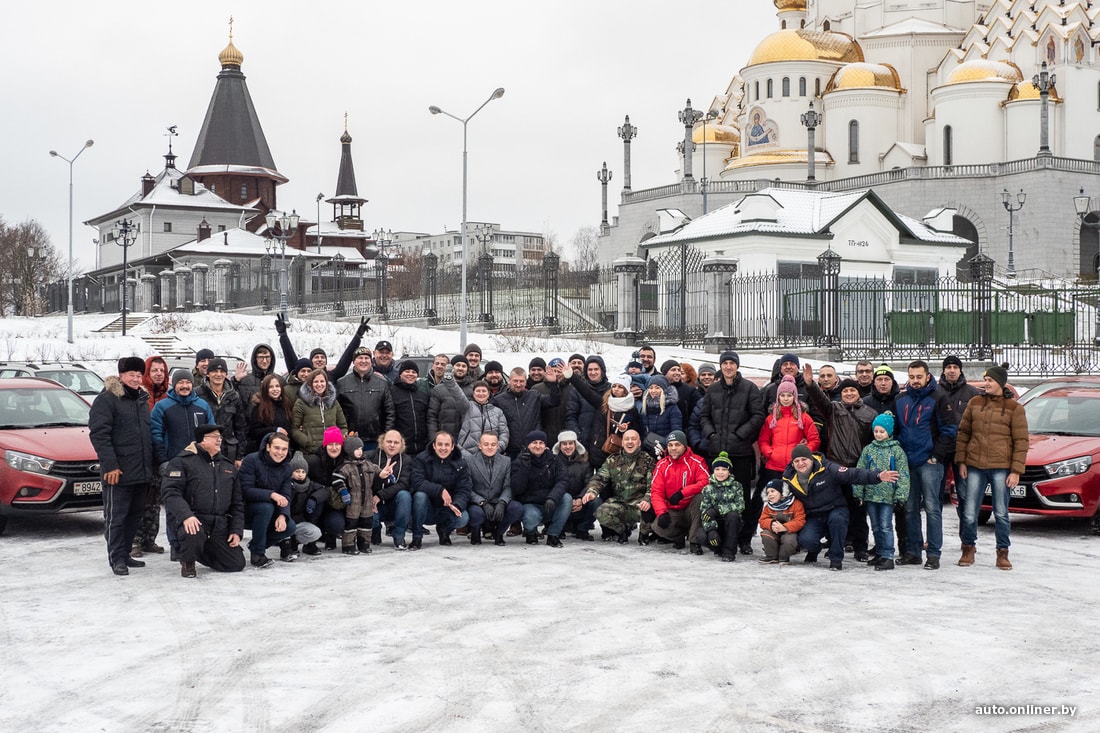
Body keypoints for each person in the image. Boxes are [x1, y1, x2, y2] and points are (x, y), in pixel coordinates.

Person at [954, 365, 1028, 570]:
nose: (986, 383)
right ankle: (968, 548)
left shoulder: (1015, 408)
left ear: (1000, 383)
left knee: (1001, 512)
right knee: (969, 511)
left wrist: (1015, 471)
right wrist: (962, 461)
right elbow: (963, 433)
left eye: (990, 380)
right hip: (975, 466)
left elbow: (1021, 441)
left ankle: (1002, 552)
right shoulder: (975, 403)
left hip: (1001, 467)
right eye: (985, 380)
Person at [89, 357, 156, 576]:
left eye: (139, 375)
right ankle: (116, 558)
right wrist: (110, 466)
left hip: (140, 471)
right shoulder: (107, 399)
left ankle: (126, 553)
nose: (136, 379)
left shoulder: (141, 399)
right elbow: (100, 435)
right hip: (117, 472)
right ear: (121, 376)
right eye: (131, 375)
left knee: (134, 516)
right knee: (116, 518)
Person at [784, 444, 899, 571]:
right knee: (806, 541)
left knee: (838, 521)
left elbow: (852, 474)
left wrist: (877, 476)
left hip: (835, 508)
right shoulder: (789, 477)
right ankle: (815, 549)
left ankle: (836, 559)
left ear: (811, 459)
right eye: (797, 461)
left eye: (804, 459)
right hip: (813, 515)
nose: (801, 463)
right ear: (792, 463)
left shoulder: (827, 468)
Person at [803, 364, 876, 563]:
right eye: (845, 390)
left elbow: (873, 442)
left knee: (858, 511)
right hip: (835, 467)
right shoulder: (833, 409)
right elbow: (820, 400)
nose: (849, 393)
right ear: (841, 393)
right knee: (834, 507)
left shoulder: (870, 414)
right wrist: (810, 384)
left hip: (857, 468)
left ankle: (861, 546)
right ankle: (837, 543)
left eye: (852, 390)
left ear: (858, 392)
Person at [699, 350, 765, 553]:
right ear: (721, 366)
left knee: (742, 498)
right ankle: (717, 535)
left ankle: (743, 540)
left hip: (741, 453)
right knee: (715, 496)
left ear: (737, 366)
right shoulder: (713, 389)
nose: (728, 366)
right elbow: (704, 415)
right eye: (725, 363)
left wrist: (740, 435)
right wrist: (711, 435)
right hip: (717, 452)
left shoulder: (749, 388)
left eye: (732, 363)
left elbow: (757, 416)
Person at [161, 424, 246, 578]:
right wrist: (186, 515)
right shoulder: (182, 462)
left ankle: (200, 551)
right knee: (193, 531)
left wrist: (236, 530)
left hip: (219, 525)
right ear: (202, 440)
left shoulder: (228, 466)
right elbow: (171, 493)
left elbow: (237, 503)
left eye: (220, 437)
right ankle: (188, 560)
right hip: (194, 520)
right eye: (214, 437)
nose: (219, 440)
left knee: (236, 564)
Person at [150, 368, 215, 560]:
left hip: (199, 464)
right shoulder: (162, 407)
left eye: (187, 382)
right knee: (174, 507)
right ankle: (176, 545)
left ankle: (195, 543)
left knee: (198, 505)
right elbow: (156, 436)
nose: (185, 386)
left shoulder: (202, 406)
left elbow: (211, 433)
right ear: (174, 384)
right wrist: (163, 461)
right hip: (174, 464)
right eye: (180, 383)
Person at [896, 360, 945, 570]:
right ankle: (913, 552)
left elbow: (949, 431)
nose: (915, 381)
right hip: (907, 462)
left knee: (933, 508)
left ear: (927, 376)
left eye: (919, 377)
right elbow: (896, 429)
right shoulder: (900, 399)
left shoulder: (938, 398)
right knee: (909, 509)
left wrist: (935, 455)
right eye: (912, 377)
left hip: (929, 462)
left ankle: (933, 553)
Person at [854, 413, 911, 570]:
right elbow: (860, 471)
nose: (878, 434)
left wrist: (900, 496)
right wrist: (858, 492)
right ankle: (879, 552)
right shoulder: (868, 450)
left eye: (882, 431)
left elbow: (903, 475)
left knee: (885, 525)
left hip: (887, 496)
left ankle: (888, 555)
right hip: (871, 495)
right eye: (876, 431)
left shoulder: (896, 451)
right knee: (875, 525)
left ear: (889, 432)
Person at [582, 429, 655, 543]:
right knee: (601, 512)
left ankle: (644, 534)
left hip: (640, 504)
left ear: (639, 442)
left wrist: (647, 500)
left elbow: (653, 484)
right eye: (626, 439)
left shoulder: (648, 460)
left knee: (652, 511)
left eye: (633, 439)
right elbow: (600, 478)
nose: (630, 442)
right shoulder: (613, 460)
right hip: (620, 503)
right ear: (622, 442)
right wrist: (592, 491)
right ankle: (622, 531)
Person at [238, 431, 297, 567]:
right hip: (246, 509)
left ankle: (256, 545)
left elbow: (286, 495)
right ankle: (258, 554)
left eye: (284, 449)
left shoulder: (287, 468)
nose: (280, 453)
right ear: (268, 447)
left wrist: (282, 515)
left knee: (290, 527)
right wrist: (271, 494)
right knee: (266, 507)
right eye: (277, 448)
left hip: (269, 511)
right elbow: (245, 490)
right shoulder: (251, 460)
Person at [132, 355, 170, 557]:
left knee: (155, 500)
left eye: (162, 371)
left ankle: (149, 539)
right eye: (154, 370)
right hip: (141, 456)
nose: (158, 374)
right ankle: (134, 541)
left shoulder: (168, 396)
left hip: (160, 456)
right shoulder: (139, 395)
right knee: (139, 499)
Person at [649, 430, 708, 553]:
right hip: (673, 509)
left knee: (701, 498)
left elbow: (705, 482)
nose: (673, 448)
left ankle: (694, 541)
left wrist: (683, 493)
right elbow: (656, 492)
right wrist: (662, 513)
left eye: (677, 444)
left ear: (684, 445)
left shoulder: (697, 461)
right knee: (657, 526)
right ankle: (678, 537)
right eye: (670, 445)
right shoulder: (662, 465)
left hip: (691, 509)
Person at [410, 431, 471, 549]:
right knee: (420, 496)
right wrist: (440, 490)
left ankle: (444, 531)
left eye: (447, 445)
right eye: (440, 444)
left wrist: (457, 505)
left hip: (447, 507)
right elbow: (417, 481)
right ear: (434, 445)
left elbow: (464, 488)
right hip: (426, 508)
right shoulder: (422, 459)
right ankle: (417, 537)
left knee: (463, 518)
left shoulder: (460, 463)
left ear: (453, 447)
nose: (443, 448)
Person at [511, 430, 570, 547]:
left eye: (541, 443)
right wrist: (524, 468)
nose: (538, 446)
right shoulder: (519, 461)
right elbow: (517, 489)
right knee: (531, 517)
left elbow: (562, 480)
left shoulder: (554, 460)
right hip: (530, 503)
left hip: (549, 501)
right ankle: (530, 532)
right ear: (528, 444)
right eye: (534, 442)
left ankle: (553, 535)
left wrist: (553, 497)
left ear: (545, 445)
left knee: (567, 498)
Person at [464, 431, 524, 546]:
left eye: (493, 444)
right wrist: (482, 502)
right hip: (478, 503)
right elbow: (467, 487)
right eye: (486, 444)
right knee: (475, 514)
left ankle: (499, 532)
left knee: (516, 508)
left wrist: (502, 502)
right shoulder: (469, 461)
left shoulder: (506, 461)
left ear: (497, 445)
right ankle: (475, 532)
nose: (489, 447)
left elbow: (507, 486)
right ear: (480, 445)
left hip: (497, 500)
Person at [934, 355, 980, 503]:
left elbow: (977, 422)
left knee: (965, 495)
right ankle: (937, 527)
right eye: (948, 367)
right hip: (940, 450)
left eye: (955, 367)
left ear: (960, 371)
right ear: (943, 370)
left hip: (963, 452)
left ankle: (966, 526)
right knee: (936, 495)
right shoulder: (935, 391)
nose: (952, 371)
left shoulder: (972, 393)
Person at [491, 366, 561, 460]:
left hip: (533, 448)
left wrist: (553, 383)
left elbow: (554, 401)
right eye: (515, 381)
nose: (518, 384)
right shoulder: (498, 400)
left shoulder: (534, 396)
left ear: (526, 381)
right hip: (510, 451)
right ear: (509, 381)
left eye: (521, 381)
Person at [275, 314, 370, 381]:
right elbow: (291, 361)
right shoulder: (305, 375)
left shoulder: (332, 375)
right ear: (310, 361)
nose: (320, 360)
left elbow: (346, 358)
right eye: (316, 357)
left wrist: (358, 336)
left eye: (322, 357)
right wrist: (283, 335)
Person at [336, 346, 395, 453]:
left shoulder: (381, 383)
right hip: (351, 439)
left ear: (370, 361)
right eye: (360, 358)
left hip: (375, 440)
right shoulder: (342, 383)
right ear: (354, 361)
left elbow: (389, 412)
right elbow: (336, 412)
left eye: (366, 358)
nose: (363, 361)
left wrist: (386, 435)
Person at [334, 436, 384, 555]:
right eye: (357, 449)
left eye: (361, 449)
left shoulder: (367, 464)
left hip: (367, 498)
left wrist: (385, 474)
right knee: (352, 522)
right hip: (353, 499)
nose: (360, 451)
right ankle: (348, 545)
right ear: (350, 450)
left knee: (366, 522)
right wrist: (343, 491)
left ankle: (364, 543)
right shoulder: (346, 466)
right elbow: (337, 479)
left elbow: (378, 470)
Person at [306, 427, 353, 550]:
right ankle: (310, 542)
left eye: (337, 444)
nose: (334, 447)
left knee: (336, 524)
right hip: (317, 503)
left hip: (336, 505)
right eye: (330, 444)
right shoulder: (313, 462)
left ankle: (330, 535)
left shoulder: (347, 462)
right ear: (325, 445)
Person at [195, 358, 248, 465]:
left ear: (226, 374)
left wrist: (239, 456)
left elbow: (240, 428)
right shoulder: (197, 394)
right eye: (214, 371)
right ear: (208, 374)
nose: (218, 374)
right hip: (203, 449)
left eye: (222, 371)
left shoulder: (234, 396)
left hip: (228, 451)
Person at [696, 452, 745, 562]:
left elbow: (739, 506)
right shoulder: (708, 489)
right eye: (717, 469)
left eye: (724, 469)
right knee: (701, 536)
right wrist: (711, 530)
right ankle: (718, 548)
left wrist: (717, 510)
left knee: (733, 516)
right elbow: (704, 512)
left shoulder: (736, 486)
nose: (720, 472)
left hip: (731, 524)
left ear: (729, 471)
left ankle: (729, 551)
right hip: (716, 524)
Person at [369, 430, 413, 550]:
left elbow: (403, 484)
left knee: (405, 495)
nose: (392, 445)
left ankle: (399, 536)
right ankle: (375, 530)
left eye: (396, 442)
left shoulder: (406, 460)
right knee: (365, 499)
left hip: (394, 504)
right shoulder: (370, 457)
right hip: (374, 504)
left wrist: (380, 495)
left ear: (401, 444)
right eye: (389, 441)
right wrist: (379, 477)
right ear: (382, 442)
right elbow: (365, 482)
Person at [291, 368, 348, 454]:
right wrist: (307, 442)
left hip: (332, 452)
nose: (319, 384)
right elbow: (294, 429)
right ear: (310, 383)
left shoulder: (334, 403)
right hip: (311, 452)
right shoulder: (301, 403)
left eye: (322, 381)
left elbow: (343, 426)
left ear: (326, 383)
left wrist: (338, 440)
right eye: (316, 382)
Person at [556, 430, 597, 541]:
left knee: (597, 501)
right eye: (564, 444)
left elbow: (589, 483)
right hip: (561, 503)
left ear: (575, 445)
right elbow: (553, 485)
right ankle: (558, 528)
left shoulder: (585, 462)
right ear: (559, 446)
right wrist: (568, 501)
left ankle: (582, 529)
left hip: (580, 503)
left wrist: (580, 498)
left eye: (570, 443)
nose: (568, 447)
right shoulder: (553, 462)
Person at [757, 479, 806, 564]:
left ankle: (784, 556)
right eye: (768, 492)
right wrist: (772, 524)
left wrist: (785, 527)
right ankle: (771, 556)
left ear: (783, 492)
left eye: (773, 491)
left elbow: (800, 520)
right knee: (766, 534)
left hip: (789, 531)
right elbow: (762, 520)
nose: (770, 494)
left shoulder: (796, 504)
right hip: (774, 531)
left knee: (789, 540)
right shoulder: (769, 507)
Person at [287, 450, 326, 556]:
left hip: (301, 521)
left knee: (315, 532)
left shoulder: (310, 484)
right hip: (286, 521)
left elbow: (325, 490)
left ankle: (304, 543)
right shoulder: (286, 484)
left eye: (303, 472)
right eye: (297, 471)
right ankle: (287, 544)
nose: (300, 475)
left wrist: (313, 498)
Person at [244, 374, 294, 455]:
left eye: (277, 386)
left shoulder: (286, 405)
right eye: (271, 387)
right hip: (266, 451)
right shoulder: (259, 407)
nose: (275, 389)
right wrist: (274, 430)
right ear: (265, 389)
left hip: (286, 449)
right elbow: (254, 432)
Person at [458, 380, 510, 454]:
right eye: (478, 391)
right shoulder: (467, 407)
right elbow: (457, 394)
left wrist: (496, 449)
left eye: (484, 391)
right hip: (467, 454)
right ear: (473, 393)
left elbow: (504, 433)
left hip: (491, 455)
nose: (481, 393)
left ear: (488, 393)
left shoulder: (498, 412)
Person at [390, 360, 431, 455]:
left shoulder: (422, 394)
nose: (410, 374)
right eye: (407, 371)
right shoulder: (391, 392)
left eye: (414, 372)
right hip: (400, 448)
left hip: (421, 448)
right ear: (400, 374)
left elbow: (427, 418)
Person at [638, 374, 682, 455]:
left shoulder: (672, 408)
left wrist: (663, 445)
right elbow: (642, 430)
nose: (653, 391)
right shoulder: (645, 407)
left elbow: (676, 431)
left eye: (657, 388)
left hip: (666, 450)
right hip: (647, 449)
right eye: (651, 388)